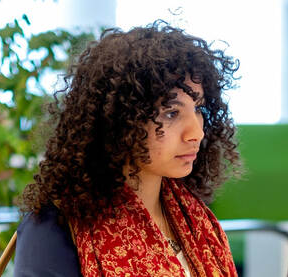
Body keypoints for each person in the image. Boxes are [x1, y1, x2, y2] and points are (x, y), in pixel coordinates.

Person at [13, 20, 241, 276]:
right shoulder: (54, 229)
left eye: (197, 109)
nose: (196, 133)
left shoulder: (194, 218)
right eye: (171, 113)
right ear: (120, 120)